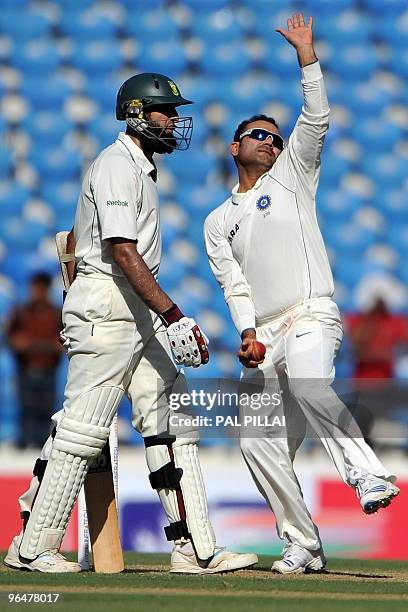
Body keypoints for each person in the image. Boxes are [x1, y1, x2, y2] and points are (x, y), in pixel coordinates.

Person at [4, 73, 257, 574]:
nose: (173, 122)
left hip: (126, 309)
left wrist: (72, 298)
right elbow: (122, 251)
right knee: (82, 431)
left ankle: (194, 548)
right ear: (138, 113)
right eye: (165, 112)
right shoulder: (117, 164)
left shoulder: (138, 169)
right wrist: (173, 315)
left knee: (172, 421)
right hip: (111, 307)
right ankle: (33, 547)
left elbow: (75, 237)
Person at [204, 13, 399, 575]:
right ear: (237, 145)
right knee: (257, 443)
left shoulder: (292, 174)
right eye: (260, 135)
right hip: (263, 334)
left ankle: (364, 472)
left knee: (313, 382)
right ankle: (303, 543)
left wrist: (306, 57)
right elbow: (232, 283)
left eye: (276, 137)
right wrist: (246, 333)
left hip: (311, 313)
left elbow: (316, 117)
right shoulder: (219, 220)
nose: (271, 143)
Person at [7, 272, 63, 448]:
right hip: (27, 367)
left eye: (40, 288)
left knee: (46, 407)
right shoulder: (21, 312)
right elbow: (10, 337)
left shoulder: (56, 313)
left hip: (48, 368)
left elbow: (64, 339)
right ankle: (23, 442)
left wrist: (50, 346)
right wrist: (20, 343)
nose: (36, 292)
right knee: (26, 406)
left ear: (46, 289)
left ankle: (43, 445)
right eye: (34, 288)